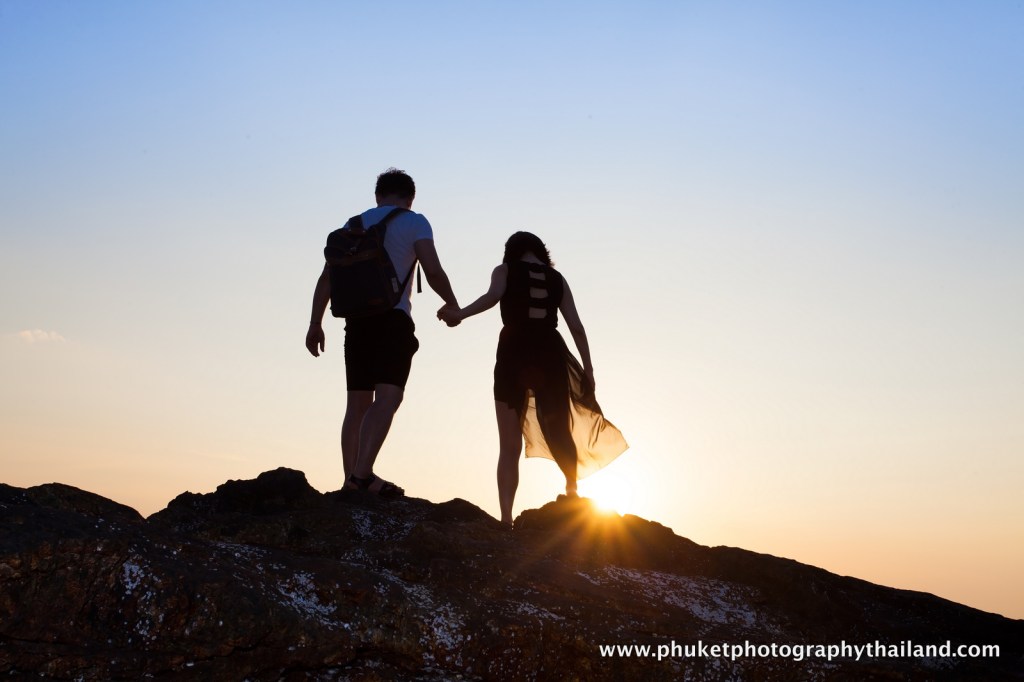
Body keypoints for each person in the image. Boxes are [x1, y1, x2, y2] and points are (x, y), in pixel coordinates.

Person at [438, 232, 627, 525]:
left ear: (510, 252)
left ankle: (505, 518)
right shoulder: (557, 278)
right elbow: (576, 326)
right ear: (541, 252)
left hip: (513, 353)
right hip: (550, 355)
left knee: (509, 444)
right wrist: (588, 369)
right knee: (559, 428)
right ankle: (571, 491)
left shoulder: (504, 271)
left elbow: (491, 298)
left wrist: (460, 314)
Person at [306, 168, 459, 496]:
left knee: (357, 404)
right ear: (410, 197)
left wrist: (315, 324)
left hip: (356, 321)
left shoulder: (354, 225)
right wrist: (452, 304)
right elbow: (431, 269)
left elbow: (327, 279)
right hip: (392, 318)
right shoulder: (414, 221)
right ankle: (362, 477)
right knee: (389, 396)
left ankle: (350, 480)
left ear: (377, 195)